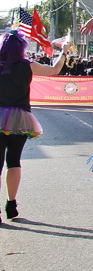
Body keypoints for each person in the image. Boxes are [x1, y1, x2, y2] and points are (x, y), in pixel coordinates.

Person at [0, 32, 73, 222]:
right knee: (14, 161)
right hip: (19, 118)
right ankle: (11, 203)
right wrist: (63, 52)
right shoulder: (27, 66)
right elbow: (54, 70)